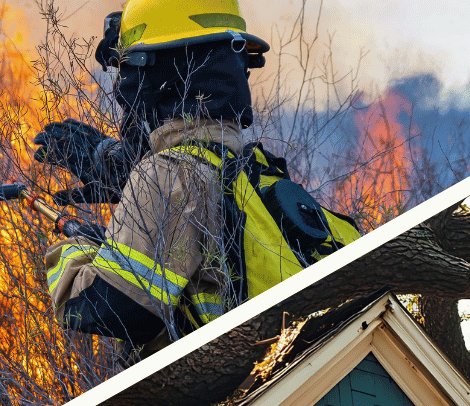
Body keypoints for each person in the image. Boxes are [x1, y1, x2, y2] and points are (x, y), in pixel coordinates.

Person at [40, 0, 360, 354]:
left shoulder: (168, 176)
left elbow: (109, 310)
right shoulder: (256, 173)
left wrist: (78, 251)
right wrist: (123, 174)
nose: (122, 89)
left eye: (127, 70)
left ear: (154, 77)